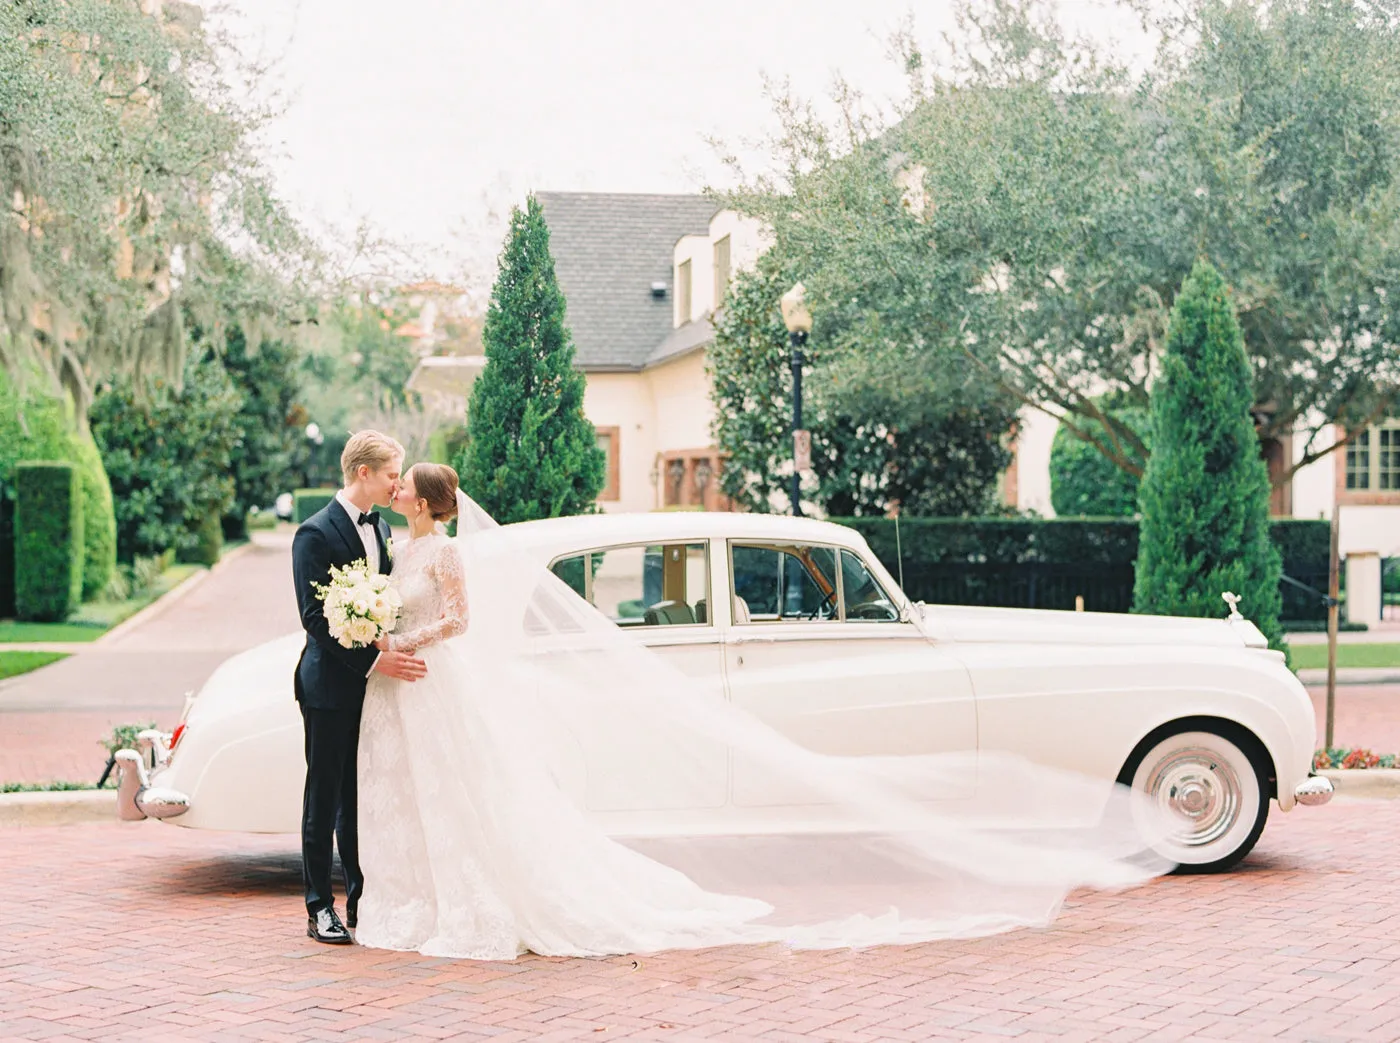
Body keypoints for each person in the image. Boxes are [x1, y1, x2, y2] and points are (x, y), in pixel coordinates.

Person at [353, 463, 1174, 960]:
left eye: (403, 491)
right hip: (429, 674)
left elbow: (456, 613)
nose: (396, 497)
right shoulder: (412, 545)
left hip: (434, 665)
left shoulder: (439, 546)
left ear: (421, 502)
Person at [290, 430, 427, 945]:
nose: (398, 484)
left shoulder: (383, 531)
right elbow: (315, 620)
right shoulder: (314, 533)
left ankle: (362, 900)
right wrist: (375, 662)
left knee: (362, 796)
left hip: (377, 691)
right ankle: (318, 906)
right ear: (364, 473)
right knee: (324, 796)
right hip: (329, 687)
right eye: (393, 474)